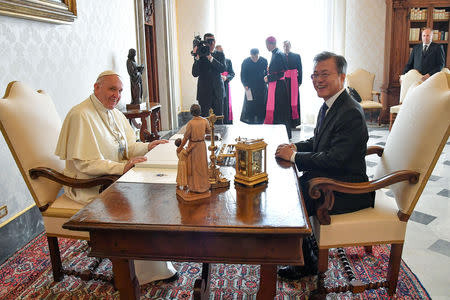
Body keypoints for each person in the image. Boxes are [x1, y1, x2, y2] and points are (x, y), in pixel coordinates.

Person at [55, 70, 177, 284]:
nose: (116, 95)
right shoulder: (80, 114)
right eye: (112, 89)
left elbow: (128, 147)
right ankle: (139, 274)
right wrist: (121, 168)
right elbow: (85, 164)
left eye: (120, 91)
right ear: (96, 87)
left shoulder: (115, 113)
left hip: (112, 179)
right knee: (140, 203)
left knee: (156, 194)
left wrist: (148, 146)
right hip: (90, 186)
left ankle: (156, 262)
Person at [275, 52, 374, 280]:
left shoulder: (350, 112)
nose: (318, 80)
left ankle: (305, 261)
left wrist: (294, 158)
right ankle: (300, 251)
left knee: (293, 198)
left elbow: (334, 159)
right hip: (330, 178)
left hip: (347, 189)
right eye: (315, 75)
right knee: (293, 190)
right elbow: (318, 142)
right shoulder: (330, 103)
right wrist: (294, 147)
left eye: (324, 74)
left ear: (342, 76)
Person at [176, 104, 211, 193]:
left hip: (193, 146)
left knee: (194, 167)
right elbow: (209, 131)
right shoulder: (205, 121)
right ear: (200, 111)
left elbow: (185, 138)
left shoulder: (190, 123)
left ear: (191, 112)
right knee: (202, 166)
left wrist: (180, 147)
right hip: (201, 145)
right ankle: (204, 186)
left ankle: (195, 187)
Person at [192, 33, 226, 118]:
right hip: (204, 92)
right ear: (204, 42)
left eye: (213, 40)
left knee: (218, 118)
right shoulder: (200, 54)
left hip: (217, 92)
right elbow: (195, 73)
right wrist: (197, 57)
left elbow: (222, 69)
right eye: (209, 41)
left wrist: (210, 58)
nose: (212, 43)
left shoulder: (220, 54)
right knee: (204, 119)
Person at [263, 36, 291, 139]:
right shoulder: (277, 53)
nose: (266, 47)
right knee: (278, 110)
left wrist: (268, 78)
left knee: (279, 110)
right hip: (278, 86)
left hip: (278, 87)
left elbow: (280, 73)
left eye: (267, 45)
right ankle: (278, 133)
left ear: (271, 44)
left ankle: (280, 134)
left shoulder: (278, 54)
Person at [240, 48, 268, 124]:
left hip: (261, 88)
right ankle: (250, 122)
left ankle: (260, 122)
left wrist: (267, 80)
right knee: (250, 106)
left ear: (258, 54)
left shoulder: (264, 61)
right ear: (250, 55)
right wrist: (245, 85)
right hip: (249, 88)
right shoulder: (245, 62)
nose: (254, 59)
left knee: (261, 105)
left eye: (256, 57)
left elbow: (267, 73)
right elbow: (242, 75)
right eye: (252, 57)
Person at [283, 40, 303, 128]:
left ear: (290, 46)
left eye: (287, 46)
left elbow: (300, 69)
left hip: (294, 82)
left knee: (294, 102)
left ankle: (294, 123)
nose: (286, 47)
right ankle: (285, 121)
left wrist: (299, 81)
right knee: (284, 101)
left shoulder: (296, 56)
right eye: (284, 46)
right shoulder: (280, 56)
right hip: (284, 82)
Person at [215, 45, 235, 124]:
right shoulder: (212, 60)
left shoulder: (228, 61)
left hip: (225, 86)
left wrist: (226, 77)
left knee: (226, 105)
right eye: (219, 52)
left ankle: (226, 122)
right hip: (216, 86)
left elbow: (232, 73)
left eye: (222, 52)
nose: (221, 53)